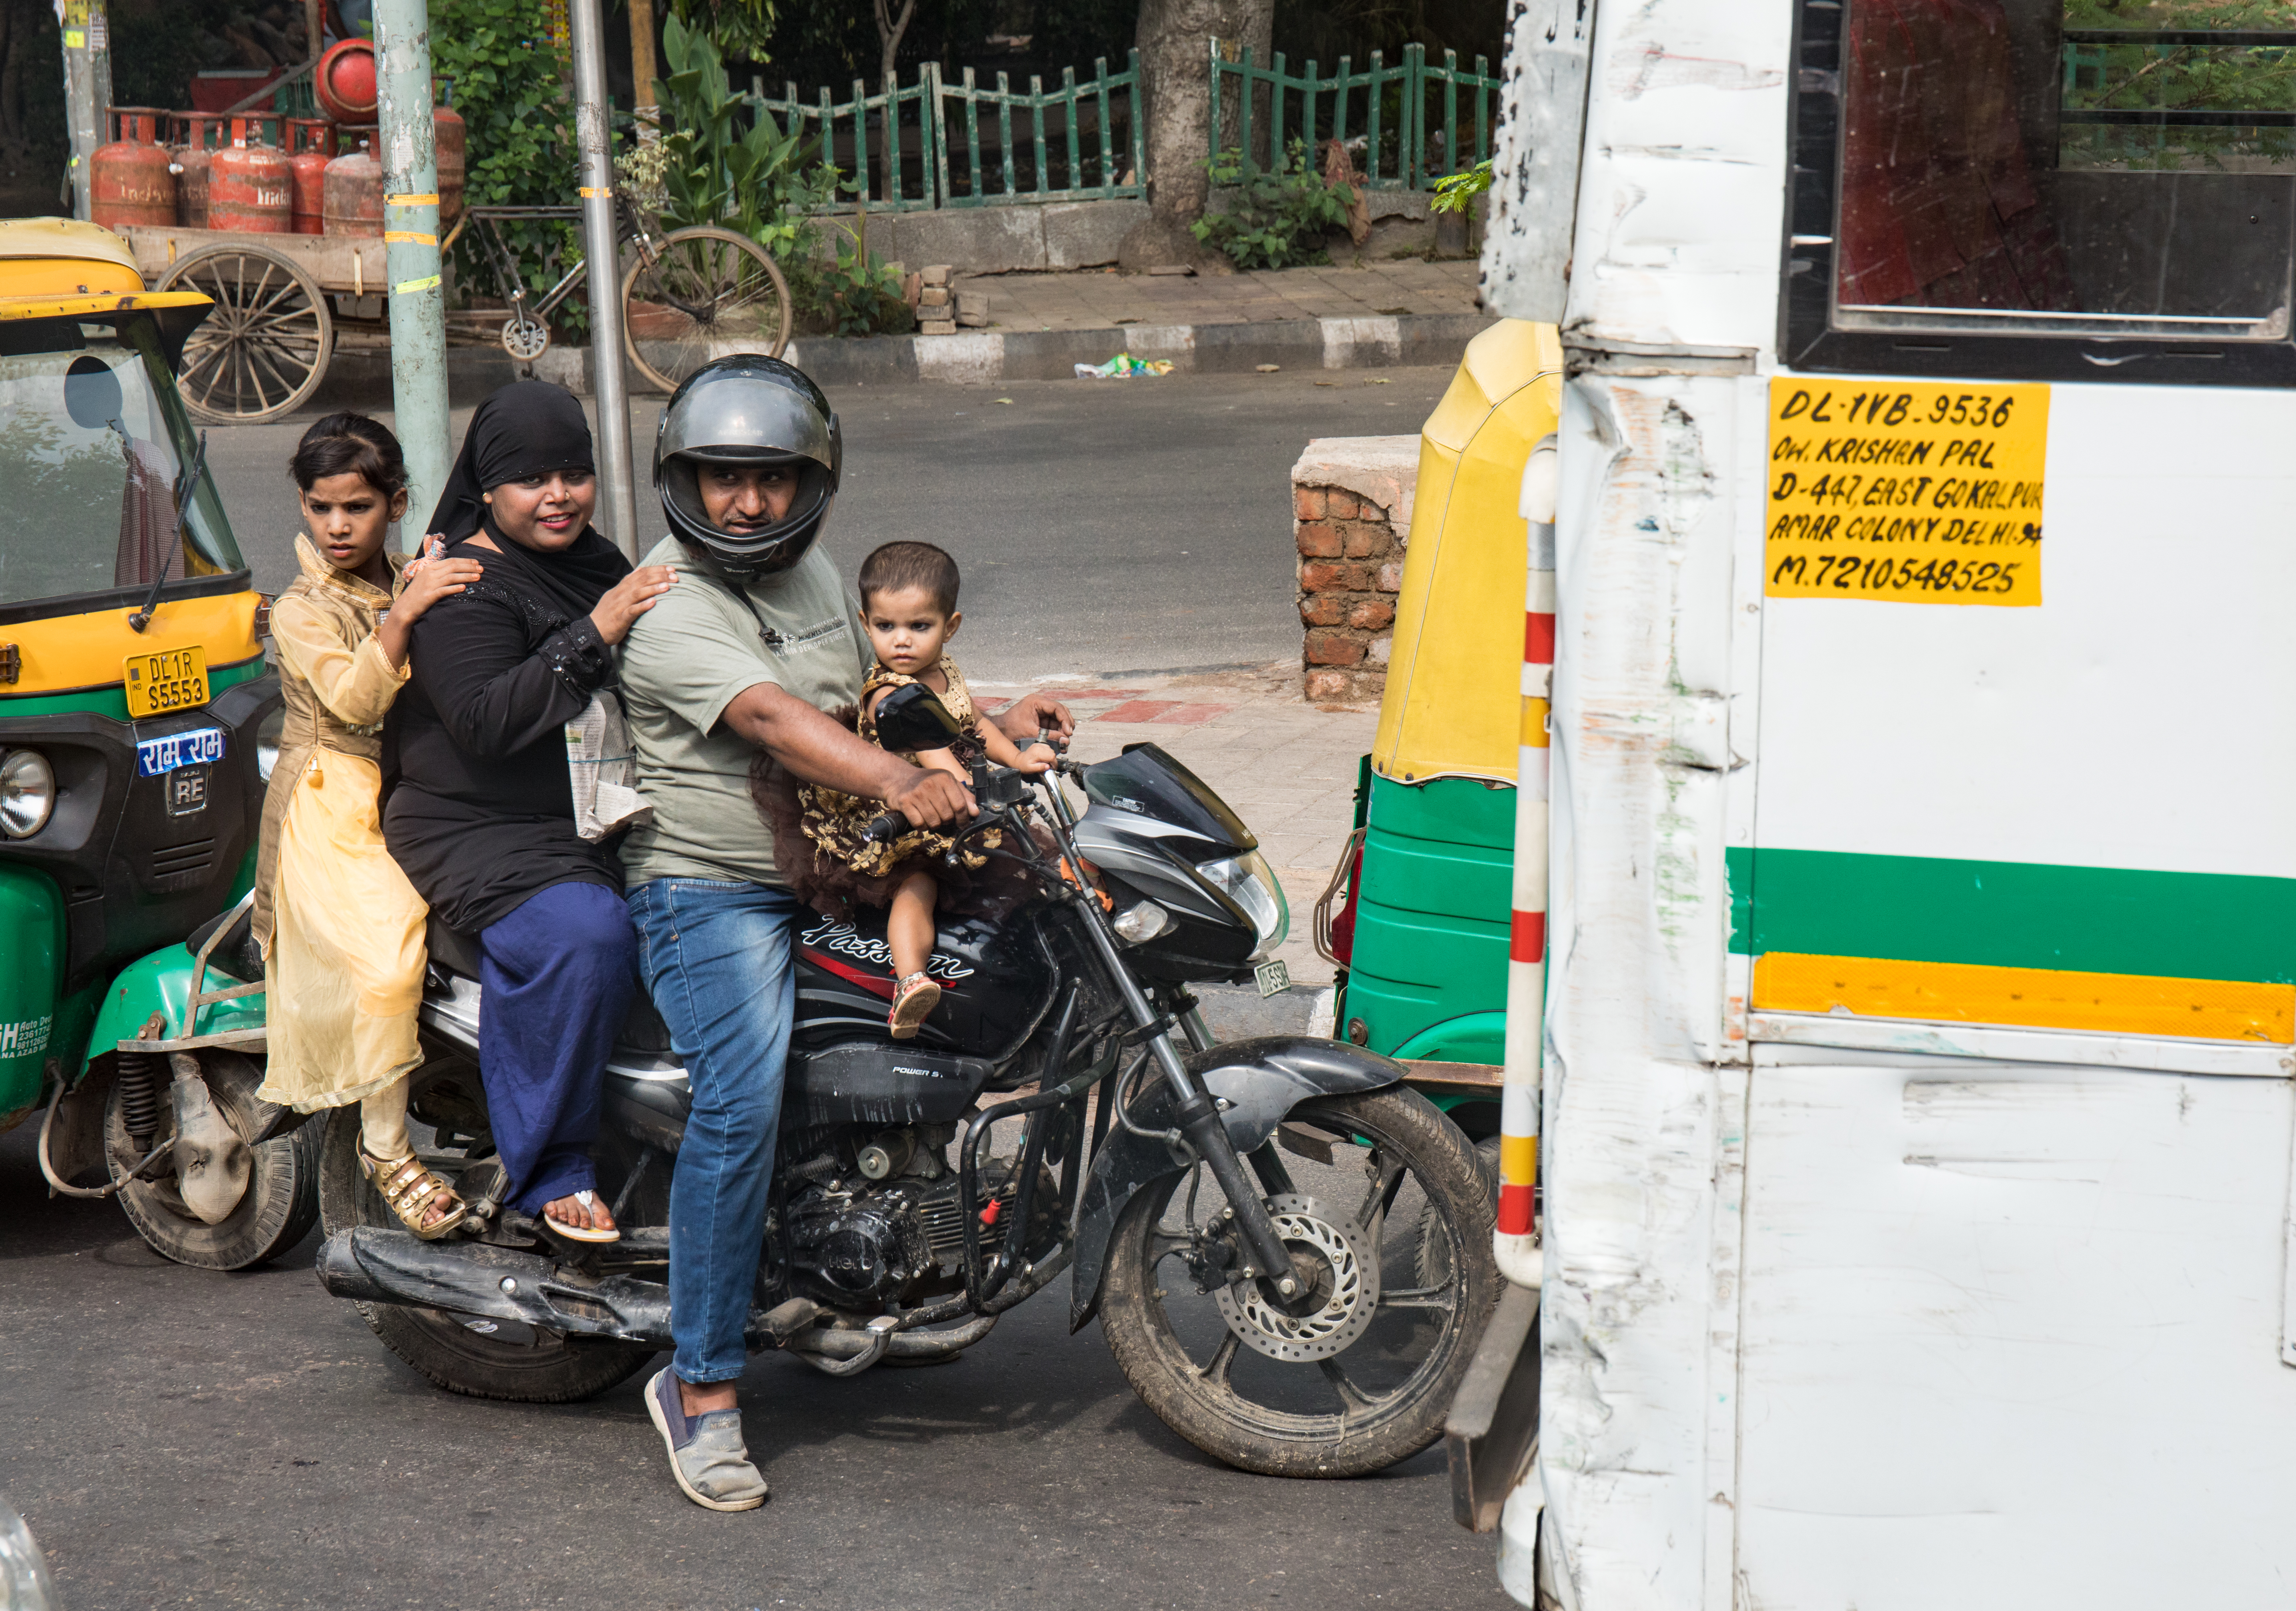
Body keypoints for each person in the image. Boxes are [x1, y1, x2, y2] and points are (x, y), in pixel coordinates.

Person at [616, 355, 1073, 1512]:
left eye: (769, 477)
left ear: (808, 481)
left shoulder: (814, 571)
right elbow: (771, 717)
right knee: (741, 1092)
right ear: (684, 478)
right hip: (711, 888)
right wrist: (894, 782)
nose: (747, 501)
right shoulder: (671, 602)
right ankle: (704, 1388)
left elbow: (887, 683)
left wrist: (993, 730)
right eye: (722, 477)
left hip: (827, 864)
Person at [383, 381, 677, 1244]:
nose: (558, 496)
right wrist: (595, 630)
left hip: (591, 815)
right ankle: (553, 1173)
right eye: (531, 480)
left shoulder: (592, 560)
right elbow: (483, 721)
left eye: (574, 474)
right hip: (476, 830)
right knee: (585, 936)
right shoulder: (460, 584)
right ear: (489, 485)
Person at [253, 413, 483, 1236]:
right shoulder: (299, 610)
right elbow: (353, 699)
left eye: (357, 506)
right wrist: (410, 609)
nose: (338, 525)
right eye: (321, 508)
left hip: (420, 787)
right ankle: (386, 1153)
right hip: (332, 796)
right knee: (390, 965)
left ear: (396, 504)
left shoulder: (410, 574)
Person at [777, 540, 1053, 1038]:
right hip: (901, 816)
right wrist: (973, 789)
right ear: (865, 624)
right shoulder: (890, 693)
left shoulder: (945, 672)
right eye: (886, 627)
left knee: (1033, 863)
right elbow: (934, 759)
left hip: (951, 804)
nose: (901, 641)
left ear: (951, 627)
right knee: (918, 885)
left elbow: (971, 726)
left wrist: (1016, 757)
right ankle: (910, 981)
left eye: (919, 627)